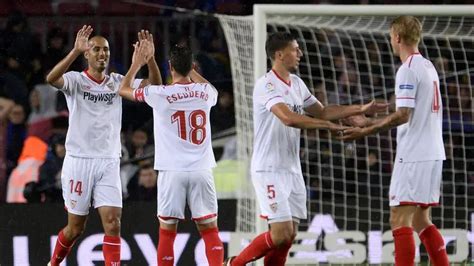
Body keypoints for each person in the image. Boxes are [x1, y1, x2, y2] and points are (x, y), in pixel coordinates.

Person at [224, 32, 386, 266]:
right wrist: (327, 126)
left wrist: (360, 108)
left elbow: (323, 111)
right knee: (280, 233)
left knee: (288, 236)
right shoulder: (266, 84)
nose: (300, 53)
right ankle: (233, 264)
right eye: (295, 49)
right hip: (268, 169)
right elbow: (289, 118)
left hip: (292, 169)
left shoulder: (297, 84)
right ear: (280, 54)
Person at [45, 25, 161, 266]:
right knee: (75, 228)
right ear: (87, 54)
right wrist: (74, 51)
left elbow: (156, 87)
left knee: (113, 223)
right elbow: (51, 78)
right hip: (79, 162)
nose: (102, 53)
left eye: (106, 50)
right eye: (96, 49)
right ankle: (53, 263)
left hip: (108, 161)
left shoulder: (118, 82)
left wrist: (150, 60)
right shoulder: (76, 81)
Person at [340, 16, 449, 266]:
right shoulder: (428, 66)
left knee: (399, 220)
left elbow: (403, 115)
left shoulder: (407, 69)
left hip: (413, 154)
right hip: (432, 153)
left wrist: (366, 130)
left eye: (391, 37)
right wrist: (373, 116)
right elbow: (412, 108)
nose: (391, 41)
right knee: (422, 220)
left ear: (397, 38)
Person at [119, 42, 224, 266]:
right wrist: (191, 70)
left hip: (171, 171)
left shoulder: (160, 93)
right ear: (193, 66)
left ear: (169, 67)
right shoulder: (206, 92)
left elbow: (123, 89)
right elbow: (209, 87)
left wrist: (138, 63)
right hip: (201, 169)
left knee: (168, 231)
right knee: (209, 229)